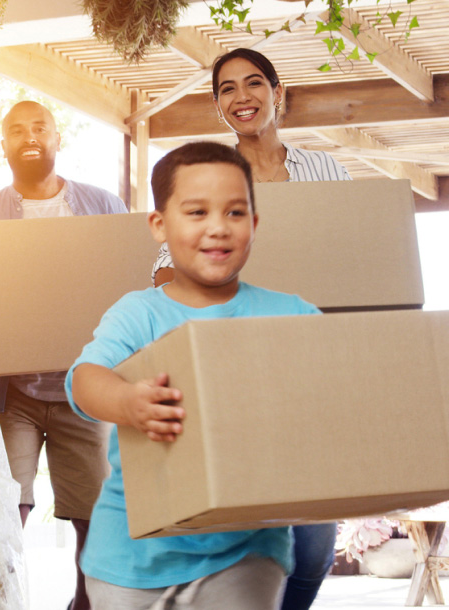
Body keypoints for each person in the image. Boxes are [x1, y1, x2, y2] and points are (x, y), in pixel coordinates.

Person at [66, 141, 321, 609]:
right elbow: (85, 379)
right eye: (197, 212)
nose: (218, 229)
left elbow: (336, 394)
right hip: (130, 556)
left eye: (236, 213)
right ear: (160, 226)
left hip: (244, 553)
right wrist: (127, 403)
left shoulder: (292, 315)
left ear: (255, 224)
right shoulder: (138, 314)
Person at [150, 48, 348, 610]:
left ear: (277, 92)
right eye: (228, 89)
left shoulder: (327, 171)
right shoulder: (205, 174)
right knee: (241, 540)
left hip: (306, 364)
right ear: (218, 106)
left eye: (254, 83)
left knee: (312, 548)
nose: (242, 97)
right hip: (231, 365)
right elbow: (163, 269)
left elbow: (356, 255)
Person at [0, 100, 129, 610]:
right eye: (17, 130)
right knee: (2, 511)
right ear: (4, 146)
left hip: (83, 390)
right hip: (11, 394)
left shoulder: (104, 207)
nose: (29, 136)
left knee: (96, 516)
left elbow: (135, 284)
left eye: (40, 127)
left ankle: (86, 604)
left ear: (59, 139)